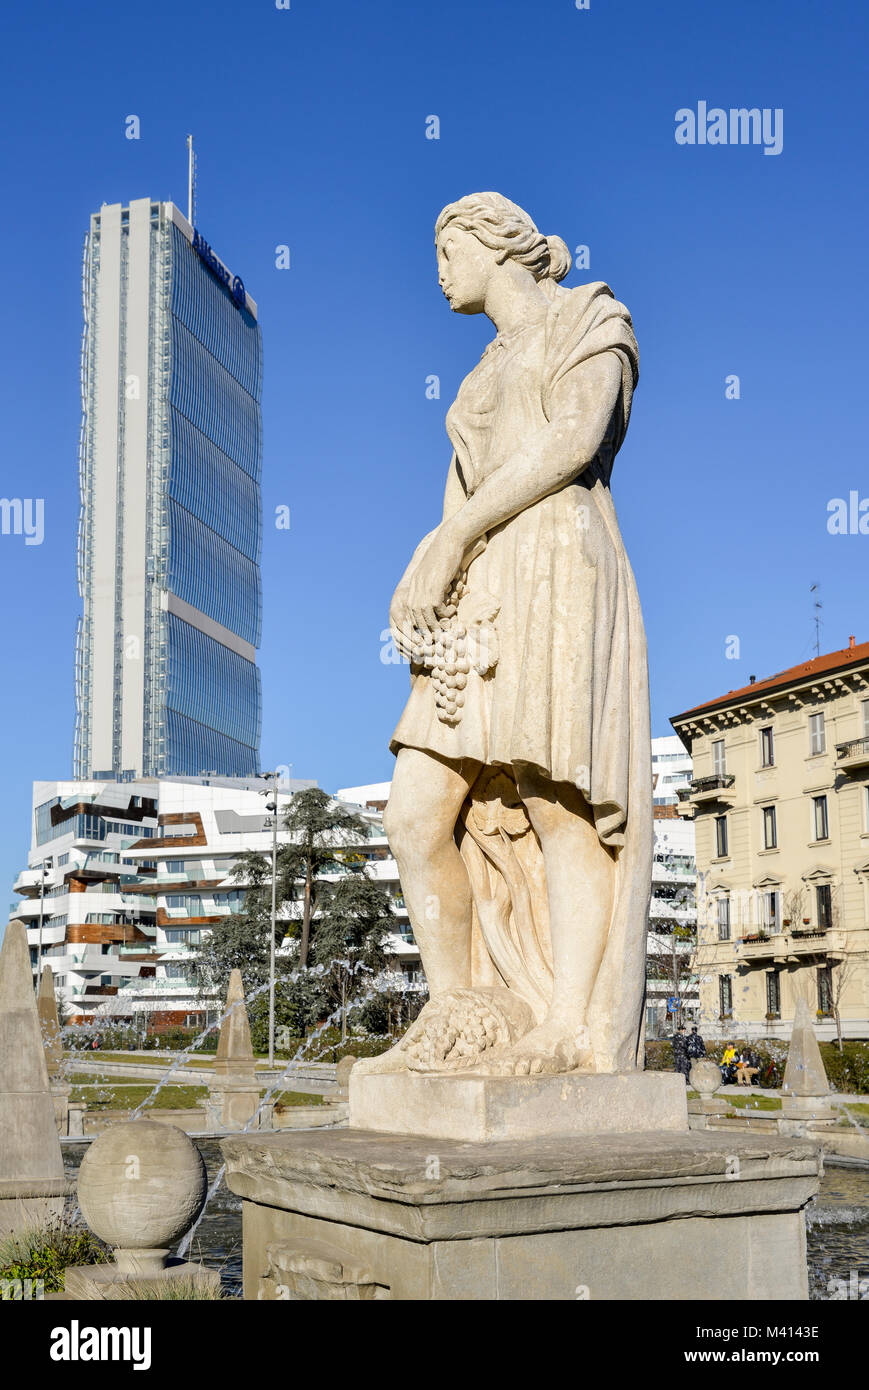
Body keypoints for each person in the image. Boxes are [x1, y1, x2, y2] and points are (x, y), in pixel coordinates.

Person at [368, 191, 648, 1077]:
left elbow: (573, 440)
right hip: (482, 590)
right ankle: (461, 1013)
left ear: (494, 244)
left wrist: (453, 535)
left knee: (555, 802)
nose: (439, 267)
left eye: (445, 246)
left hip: (559, 563)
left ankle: (569, 1024)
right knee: (414, 816)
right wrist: (431, 567)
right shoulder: (480, 373)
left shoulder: (587, 316)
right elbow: (461, 493)